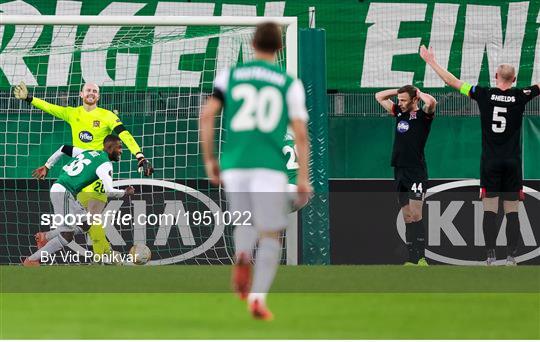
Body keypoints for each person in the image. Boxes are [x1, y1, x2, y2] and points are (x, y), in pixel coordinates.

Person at [199, 22, 311, 320]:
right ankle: (258, 298)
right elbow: (300, 133)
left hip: (235, 164)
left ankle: (242, 255)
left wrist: (210, 159)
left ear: (252, 44)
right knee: (271, 233)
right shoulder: (288, 83)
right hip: (270, 165)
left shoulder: (230, 76)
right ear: (280, 48)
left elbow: (207, 116)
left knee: (244, 221)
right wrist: (302, 177)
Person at [420, 45, 539, 266]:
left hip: (490, 163)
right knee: (512, 212)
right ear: (514, 79)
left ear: (496, 77)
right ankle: (512, 258)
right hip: (512, 163)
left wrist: (431, 61)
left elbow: (452, 82)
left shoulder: (483, 94)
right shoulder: (521, 95)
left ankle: (490, 257)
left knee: (490, 211)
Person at [13, 82, 152, 257]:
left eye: (95, 91)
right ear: (81, 94)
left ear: (99, 96)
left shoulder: (106, 116)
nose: (91, 93)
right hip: (78, 177)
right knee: (89, 221)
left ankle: (98, 252)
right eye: (88, 90)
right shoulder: (73, 113)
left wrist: (139, 156)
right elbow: (50, 108)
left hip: (98, 175)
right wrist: (28, 98)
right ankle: (101, 255)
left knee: (90, 220)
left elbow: (124, 134)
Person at [24, 135, 134, 266]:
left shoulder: (88, 153)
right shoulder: (105, 164)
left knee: (87, 224)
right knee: (67, 235)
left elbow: (64, 148)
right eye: (119, 147)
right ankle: (32, 259)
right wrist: (125, 193)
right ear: (110, 148)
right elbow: (109, 190)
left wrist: (48, 166)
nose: (121, 151)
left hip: (65, 192)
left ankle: (46, 237)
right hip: (63, 192)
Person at [375, 85, 437, 266]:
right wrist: (399, 92)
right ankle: (411, 259)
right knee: (407, 216)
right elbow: (379, 96)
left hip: (416, 171)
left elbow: (432, 102)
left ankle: (422, 257)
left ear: (414, 100)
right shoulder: (399, 113)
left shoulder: (424, 116)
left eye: (403, 100)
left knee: (417, 214)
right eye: (399, 100)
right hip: (399, 170)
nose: (399, 103)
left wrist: (419, 93)